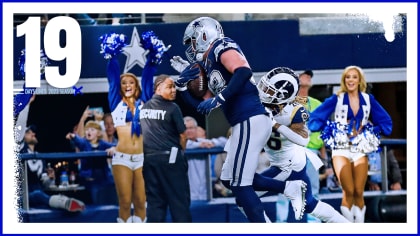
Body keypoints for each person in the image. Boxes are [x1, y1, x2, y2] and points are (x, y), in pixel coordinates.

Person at [170, 16, 280, 222]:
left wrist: (220, 97)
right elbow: (203, 107)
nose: (192, 47)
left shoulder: (222, 45)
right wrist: (183, 88)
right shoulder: (210, 65)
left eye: (193, 41)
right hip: (242, 123)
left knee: (240, 183)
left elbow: (244, 71)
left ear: (204, 34)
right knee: (229, 179)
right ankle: (289, 186)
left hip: (251, 117)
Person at [307, 65, 393, 222]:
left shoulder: (368, 100)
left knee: (359, 191)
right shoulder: (336, 99)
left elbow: (386, 122)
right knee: (348, 190)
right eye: (348, 77)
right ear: (344, 80)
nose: (351, 80)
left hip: (360, 147)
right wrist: (331, 128)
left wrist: (371, 130)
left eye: (354, 76)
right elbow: (315, 119)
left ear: (360, 79)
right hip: (341, 148)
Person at [102, 30, 170, 223]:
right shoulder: (116, 104)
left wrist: (153, 58)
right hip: (122, 157)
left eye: (131, 82)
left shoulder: (145, 103)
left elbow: (149, 77)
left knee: (141, 202)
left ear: (137, 86)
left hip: (143, 158)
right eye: (124, 83)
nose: (127, 85)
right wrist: (112, 56)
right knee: (124, 202)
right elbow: (112, 77)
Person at [276, 70, 328, 223]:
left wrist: (324, 155)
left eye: (307, 82)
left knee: (312, 190)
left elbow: (322, 133)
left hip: (311, 153)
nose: (304, 87)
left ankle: (314, 225)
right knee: (284, 190)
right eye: (301, 82)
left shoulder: (317, 104)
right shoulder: (283, 104)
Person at [140, 75, 192, 222]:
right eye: (169, 87)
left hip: (149, 161)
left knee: (155, 204)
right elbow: (183, 136)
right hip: (171, 159)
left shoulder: (143, 108)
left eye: (174, 87)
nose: (174, 90)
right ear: (158, 88)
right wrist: (180, 153)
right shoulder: (172, 107)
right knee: (179, 203)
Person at [19, 125, 85, 212]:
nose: (33, 134)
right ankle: (65, 203)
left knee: (40, 194)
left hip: (40, 194)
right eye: (28, 132)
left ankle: (68, 203)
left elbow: (45, 184)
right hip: (23, 195)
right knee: (37, 195)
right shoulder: (19, 152)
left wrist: (50, 178)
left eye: (33, 132)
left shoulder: (40, 158)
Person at [65, 120, 115, 204]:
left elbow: (116, 146)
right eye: (87, 129)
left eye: (92, 130)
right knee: (96, 199)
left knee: (112, 197)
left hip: (104, 179)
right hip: (90, 180)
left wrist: (114, 148)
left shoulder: (102, 144)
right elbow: (78, 141)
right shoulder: (84, 143)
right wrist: (73, 136)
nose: (89, 131)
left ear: (98, 133)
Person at [184, 116, 227, 200]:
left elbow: (225, 141)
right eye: (186, 128)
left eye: (191, 128)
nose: (189, 131)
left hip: (204, 190)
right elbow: (182, 145)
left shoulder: (203, 143)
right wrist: (198, 145)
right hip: (187, 191)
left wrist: (213, 143)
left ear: (196, 129)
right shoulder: (179, 144)